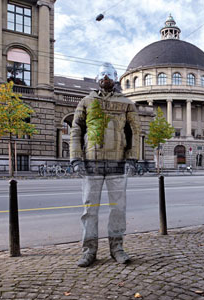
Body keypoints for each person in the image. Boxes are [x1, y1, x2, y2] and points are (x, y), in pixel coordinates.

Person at [69, 62, 141, 267]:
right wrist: (75, 158)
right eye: (102, 75)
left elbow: (135, 132)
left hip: (117, 163)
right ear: (97, 78)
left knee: (118, 209)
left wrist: (132, 158)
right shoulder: (86, 101)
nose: (106, 78)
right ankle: (88, 251)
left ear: (115, 78)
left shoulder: (126, 103)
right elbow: (76, 130)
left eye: (109, 75)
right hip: (91, 164)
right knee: (89, 210)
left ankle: (117, 248)